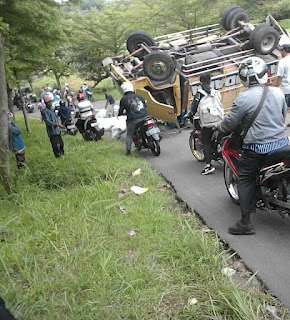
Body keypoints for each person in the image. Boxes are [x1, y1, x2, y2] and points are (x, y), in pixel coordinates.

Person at [218, 56, 288, 235]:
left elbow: (228, 125)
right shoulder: (278, 92)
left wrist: (218, 127)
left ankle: (245, 223)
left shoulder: (243, 98)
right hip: (283, 143)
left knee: (245, 178)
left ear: (244, 77)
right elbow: (282, 117)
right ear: (265, 74)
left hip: (258, 148)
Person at [185, 72, 222, 175]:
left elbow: (193, 108)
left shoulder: (199, 94)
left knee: (205, 142)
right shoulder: (216, 92)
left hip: (207, 122)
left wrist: (188, 115)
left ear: (200, 82)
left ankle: (209, 165)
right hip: (219, 120)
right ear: (210, 81)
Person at [118, 82, 147, 155]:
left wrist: (120, 114)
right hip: (144, 116)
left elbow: (121, 110)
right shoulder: (139, 96)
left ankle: (128, 151)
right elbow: (145, 104)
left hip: (134, 119)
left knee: (129, 135)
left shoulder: (124, 99)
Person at [42, 93, 65, 157]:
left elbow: (56, 118)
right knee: (55, 145)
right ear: (46, 103)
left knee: (61, 144)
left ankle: (62, 155)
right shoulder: (45, 111)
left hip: (57, 131)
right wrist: (58, 125)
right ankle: (57, 156)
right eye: (49, 102)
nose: (50, 103)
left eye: (51, 102)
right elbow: (48, 122)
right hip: (52, 132)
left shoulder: (52, 110)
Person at [275, 43, 290, 108]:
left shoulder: (282, 62)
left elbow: (280, 77)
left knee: (284, 110)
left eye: (281, 51)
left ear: (284, 51)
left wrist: (276, 87)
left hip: (285, 90)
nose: (280, 53)